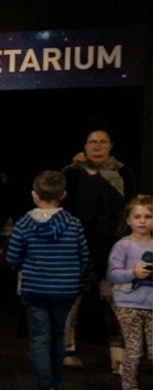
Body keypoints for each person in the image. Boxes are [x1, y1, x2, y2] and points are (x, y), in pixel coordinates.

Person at [5, 171, 90, 390]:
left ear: (34, 195)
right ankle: (55, 388)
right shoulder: (73, 223)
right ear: (63, 195)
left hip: (35, 290)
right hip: (65, 291)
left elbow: (12, 257)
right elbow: (84, 256)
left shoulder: (24, 224)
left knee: (40, 340)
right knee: (58, 337)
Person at [61, 129, 138, 370]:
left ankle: (119, 360)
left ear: (111, 146)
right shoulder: (71, 172)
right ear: (84, 145)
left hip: (112, 248)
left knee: (113, 301)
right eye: (92, 142)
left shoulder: (124, 172)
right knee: (71, 301)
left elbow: (132, 208)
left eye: (102, 142)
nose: (97, 146)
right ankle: (66, 351)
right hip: (77, 247)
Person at [107, 194, 153, 390]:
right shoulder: (122, 246)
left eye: (148, 216)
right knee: (134, 348)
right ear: (128, 220)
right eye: (137, 216)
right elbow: (113, 274)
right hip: (128, 303)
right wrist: (132, 272)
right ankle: (129, 389)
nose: (143, 221)